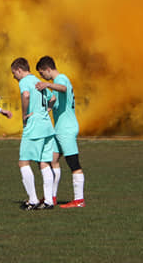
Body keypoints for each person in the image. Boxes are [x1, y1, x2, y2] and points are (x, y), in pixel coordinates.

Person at [36, 55, 85, 208]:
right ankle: (52, 197)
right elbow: (56, 100)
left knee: (73, 163)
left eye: (42, 74)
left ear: (48, 69)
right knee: (52, 160)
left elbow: (63, 89)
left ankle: (79, 200)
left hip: (66, 129)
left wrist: (47, 85)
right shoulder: (56, 82)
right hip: (59, 129)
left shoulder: (61, 79)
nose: (43, 77)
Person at [11, 57, 56, 210]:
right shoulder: (39, 81)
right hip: (47, 126)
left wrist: (25, 114)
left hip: (34, 127)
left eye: (14, 73)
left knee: (23, 162)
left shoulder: (25, 81)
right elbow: (53, 97)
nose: (14, 77)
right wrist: (47, 110)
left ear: (19, 70)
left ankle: (33, 199)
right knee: (44, 163)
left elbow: (26, 95)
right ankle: (49, 200)